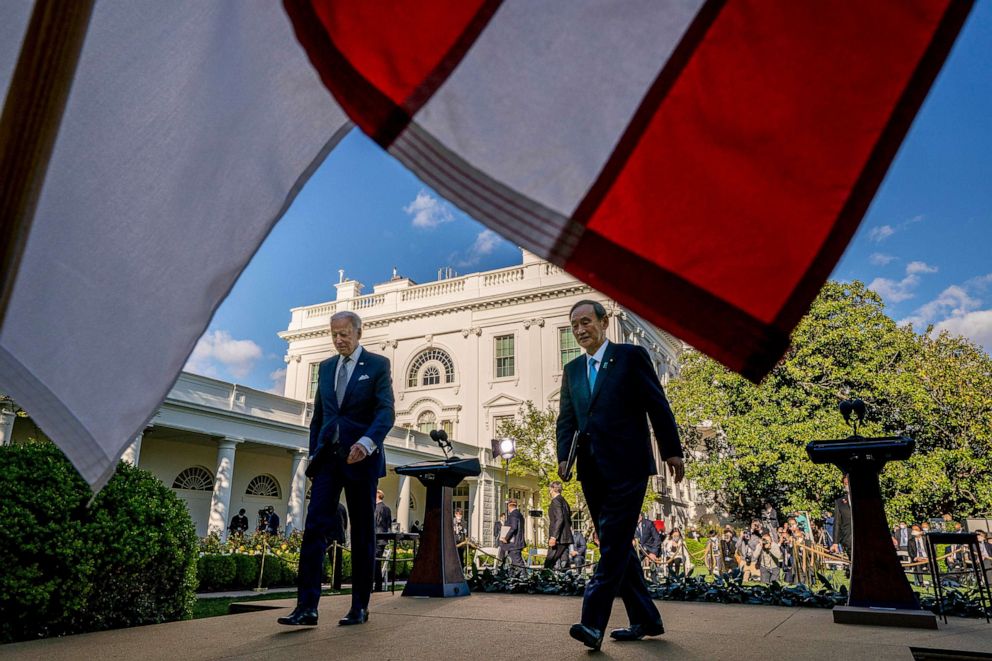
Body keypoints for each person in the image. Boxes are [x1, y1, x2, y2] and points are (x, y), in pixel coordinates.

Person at [556, 300, 684, 650]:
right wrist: (563, 459)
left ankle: (592, 623)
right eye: (575, 325)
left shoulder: (630, 356)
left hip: (629, 465)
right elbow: (566, 421)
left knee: (611, 543)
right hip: (591, 470)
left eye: (586, 322)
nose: (580, 330)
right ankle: (646, 618)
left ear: (604, 322)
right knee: (617, 545)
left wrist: (672, 449)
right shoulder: (572, 371)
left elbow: (657, 404)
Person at [279, 311, 395, 628]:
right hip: (328, 460)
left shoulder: (377, 365)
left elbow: (386, 413)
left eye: (344, 333)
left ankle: (359, 607)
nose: (339, 339)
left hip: (362, 460)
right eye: (334, 335)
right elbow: (320, 417)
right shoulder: (327, 367)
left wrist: (367, 443)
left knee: (361, 533)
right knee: (315, 528)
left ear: (358, 332)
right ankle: (306, 607)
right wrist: (315, 456)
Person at [545, 482, 573, 569]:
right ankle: (566, 581)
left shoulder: (556, 501)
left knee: (549, 563)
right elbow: (568, 520)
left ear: (553, 489)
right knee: (564, 564)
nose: (549, 491)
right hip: (565, 538)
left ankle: (546, 581)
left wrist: (554, 537)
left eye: (550, 489)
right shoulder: (564, 501)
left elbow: (559, 519)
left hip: (559, 538)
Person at [373, 489, 392, 592]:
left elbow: (375, 523)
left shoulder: (376, 508)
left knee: (375, 563)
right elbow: (389, 525)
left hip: (376, 538)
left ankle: (376, 586)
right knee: (377, 563)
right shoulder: (387, 508)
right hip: (383, 539)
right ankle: (378, 585)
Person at [501, 499, 526, 575]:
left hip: (514, 544)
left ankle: (525, 579)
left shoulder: (513, 515)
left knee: (518, 563)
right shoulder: (519, 514)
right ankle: (512, 579)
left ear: (509, 506)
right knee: (512, 564)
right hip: (517, 543)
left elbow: (513, 527)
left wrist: (506, 538)